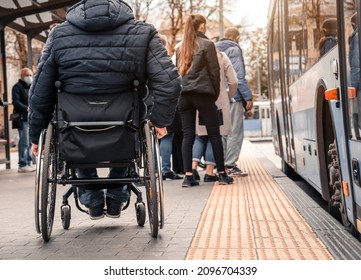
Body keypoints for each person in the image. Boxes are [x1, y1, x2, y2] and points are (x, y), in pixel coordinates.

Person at [29, 0, 181, 219]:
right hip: (126, 121)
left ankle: (92, 198)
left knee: (73, 131)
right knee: (131, 136)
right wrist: (159, 121)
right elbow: (170, 83)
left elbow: (40, 91)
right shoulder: (144, 33)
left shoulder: (59, 35)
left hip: (73, 122)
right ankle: (116, 197)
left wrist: (36, 135)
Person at [176, 13, 234, 187]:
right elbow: (214, 73)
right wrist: (214, 95)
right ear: (201, 26)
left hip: (184, 96)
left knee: (188, 135)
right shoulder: (208, 44)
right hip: (203, 94)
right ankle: (222, 174)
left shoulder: (181, 47)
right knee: (214, 134)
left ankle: (188, 177)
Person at [192, 50, 238, 182]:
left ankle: (193, 168)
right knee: (215, 135)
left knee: (200, 136)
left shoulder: (195, 54)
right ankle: (209, 172)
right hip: (218, 101)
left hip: (198, 99)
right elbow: (233, 81)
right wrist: (227, 95)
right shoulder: (221, 56)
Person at [215, 27, 253, 177]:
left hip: (216, 96)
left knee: (222, 132)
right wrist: (247, 97)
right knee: (235, 131)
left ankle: (223, 165)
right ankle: (230, 164)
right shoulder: (234, 49)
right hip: (232, 95)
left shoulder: (213, 48)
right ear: (237, 37)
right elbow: (238, 77)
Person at [158, 34, 183, 181]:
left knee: (155, 137)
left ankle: (157, 168)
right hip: (166, 102)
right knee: (167, 135)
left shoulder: (145, 58)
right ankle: (165, 169)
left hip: (150, 101)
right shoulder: (166, 61)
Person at [12, 67, 36, 173]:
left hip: (30, 117)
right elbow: (15, 101)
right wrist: (26, 108)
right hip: (23, 118)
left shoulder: (31, 87)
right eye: (27, 75)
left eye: (31, 75)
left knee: (30, 142)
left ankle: (28, 162)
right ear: (22, 76)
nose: (29, 77)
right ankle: (22, 164)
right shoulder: (17, 87)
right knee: (24, 142)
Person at [349, 12, 361, 140]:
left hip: (358, 82)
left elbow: (356, 64)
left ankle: (358, 136)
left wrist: (353, 86)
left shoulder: (356, 36)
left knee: (356, 112)